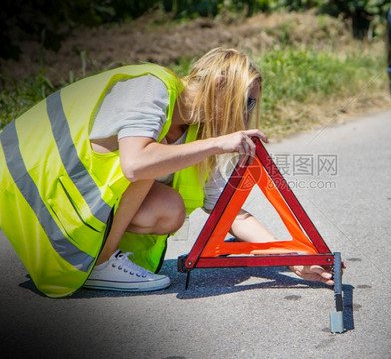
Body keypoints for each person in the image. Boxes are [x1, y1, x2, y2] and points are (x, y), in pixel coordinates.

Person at [0, 47, 333, 298]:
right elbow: (135, 164)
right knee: (148, 159)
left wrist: (292, 259)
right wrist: (218, 145)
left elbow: (228, 212)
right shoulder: (152, 87)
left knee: (169, 209)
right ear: (219, 85)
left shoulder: (200, 133)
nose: (246, 116)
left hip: (59, 193)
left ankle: (98, 258)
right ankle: (100, 264)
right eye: (246, 103)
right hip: (25, 175)